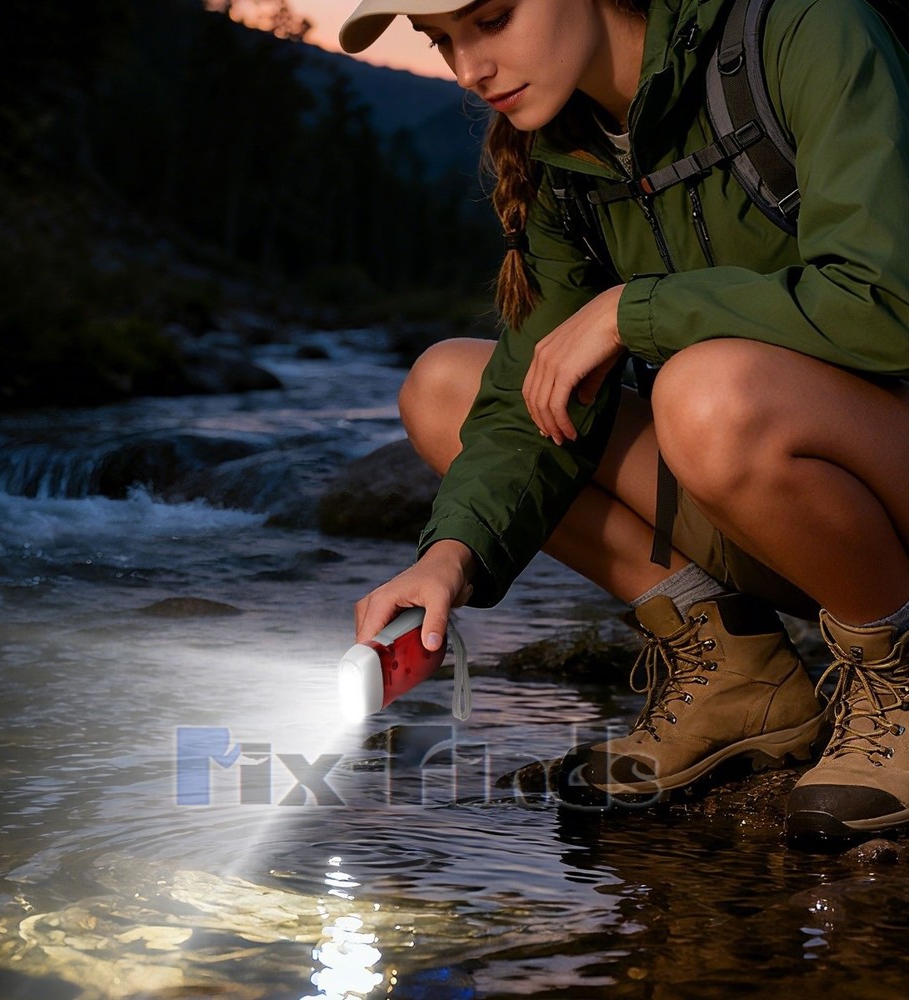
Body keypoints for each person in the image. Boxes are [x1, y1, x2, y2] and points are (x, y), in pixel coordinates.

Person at [340, 0, 909, 843]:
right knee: (447, 391)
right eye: (441, 41)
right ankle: (736, 675)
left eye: (491, 19)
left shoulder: (805, 27)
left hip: (871, 455)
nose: (468, 71)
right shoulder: (569, 150)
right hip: (798, 506)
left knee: (706, 393)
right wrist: (449, 557)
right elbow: (520, 408)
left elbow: (887, 304)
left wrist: (632, 311)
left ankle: (894, 674)